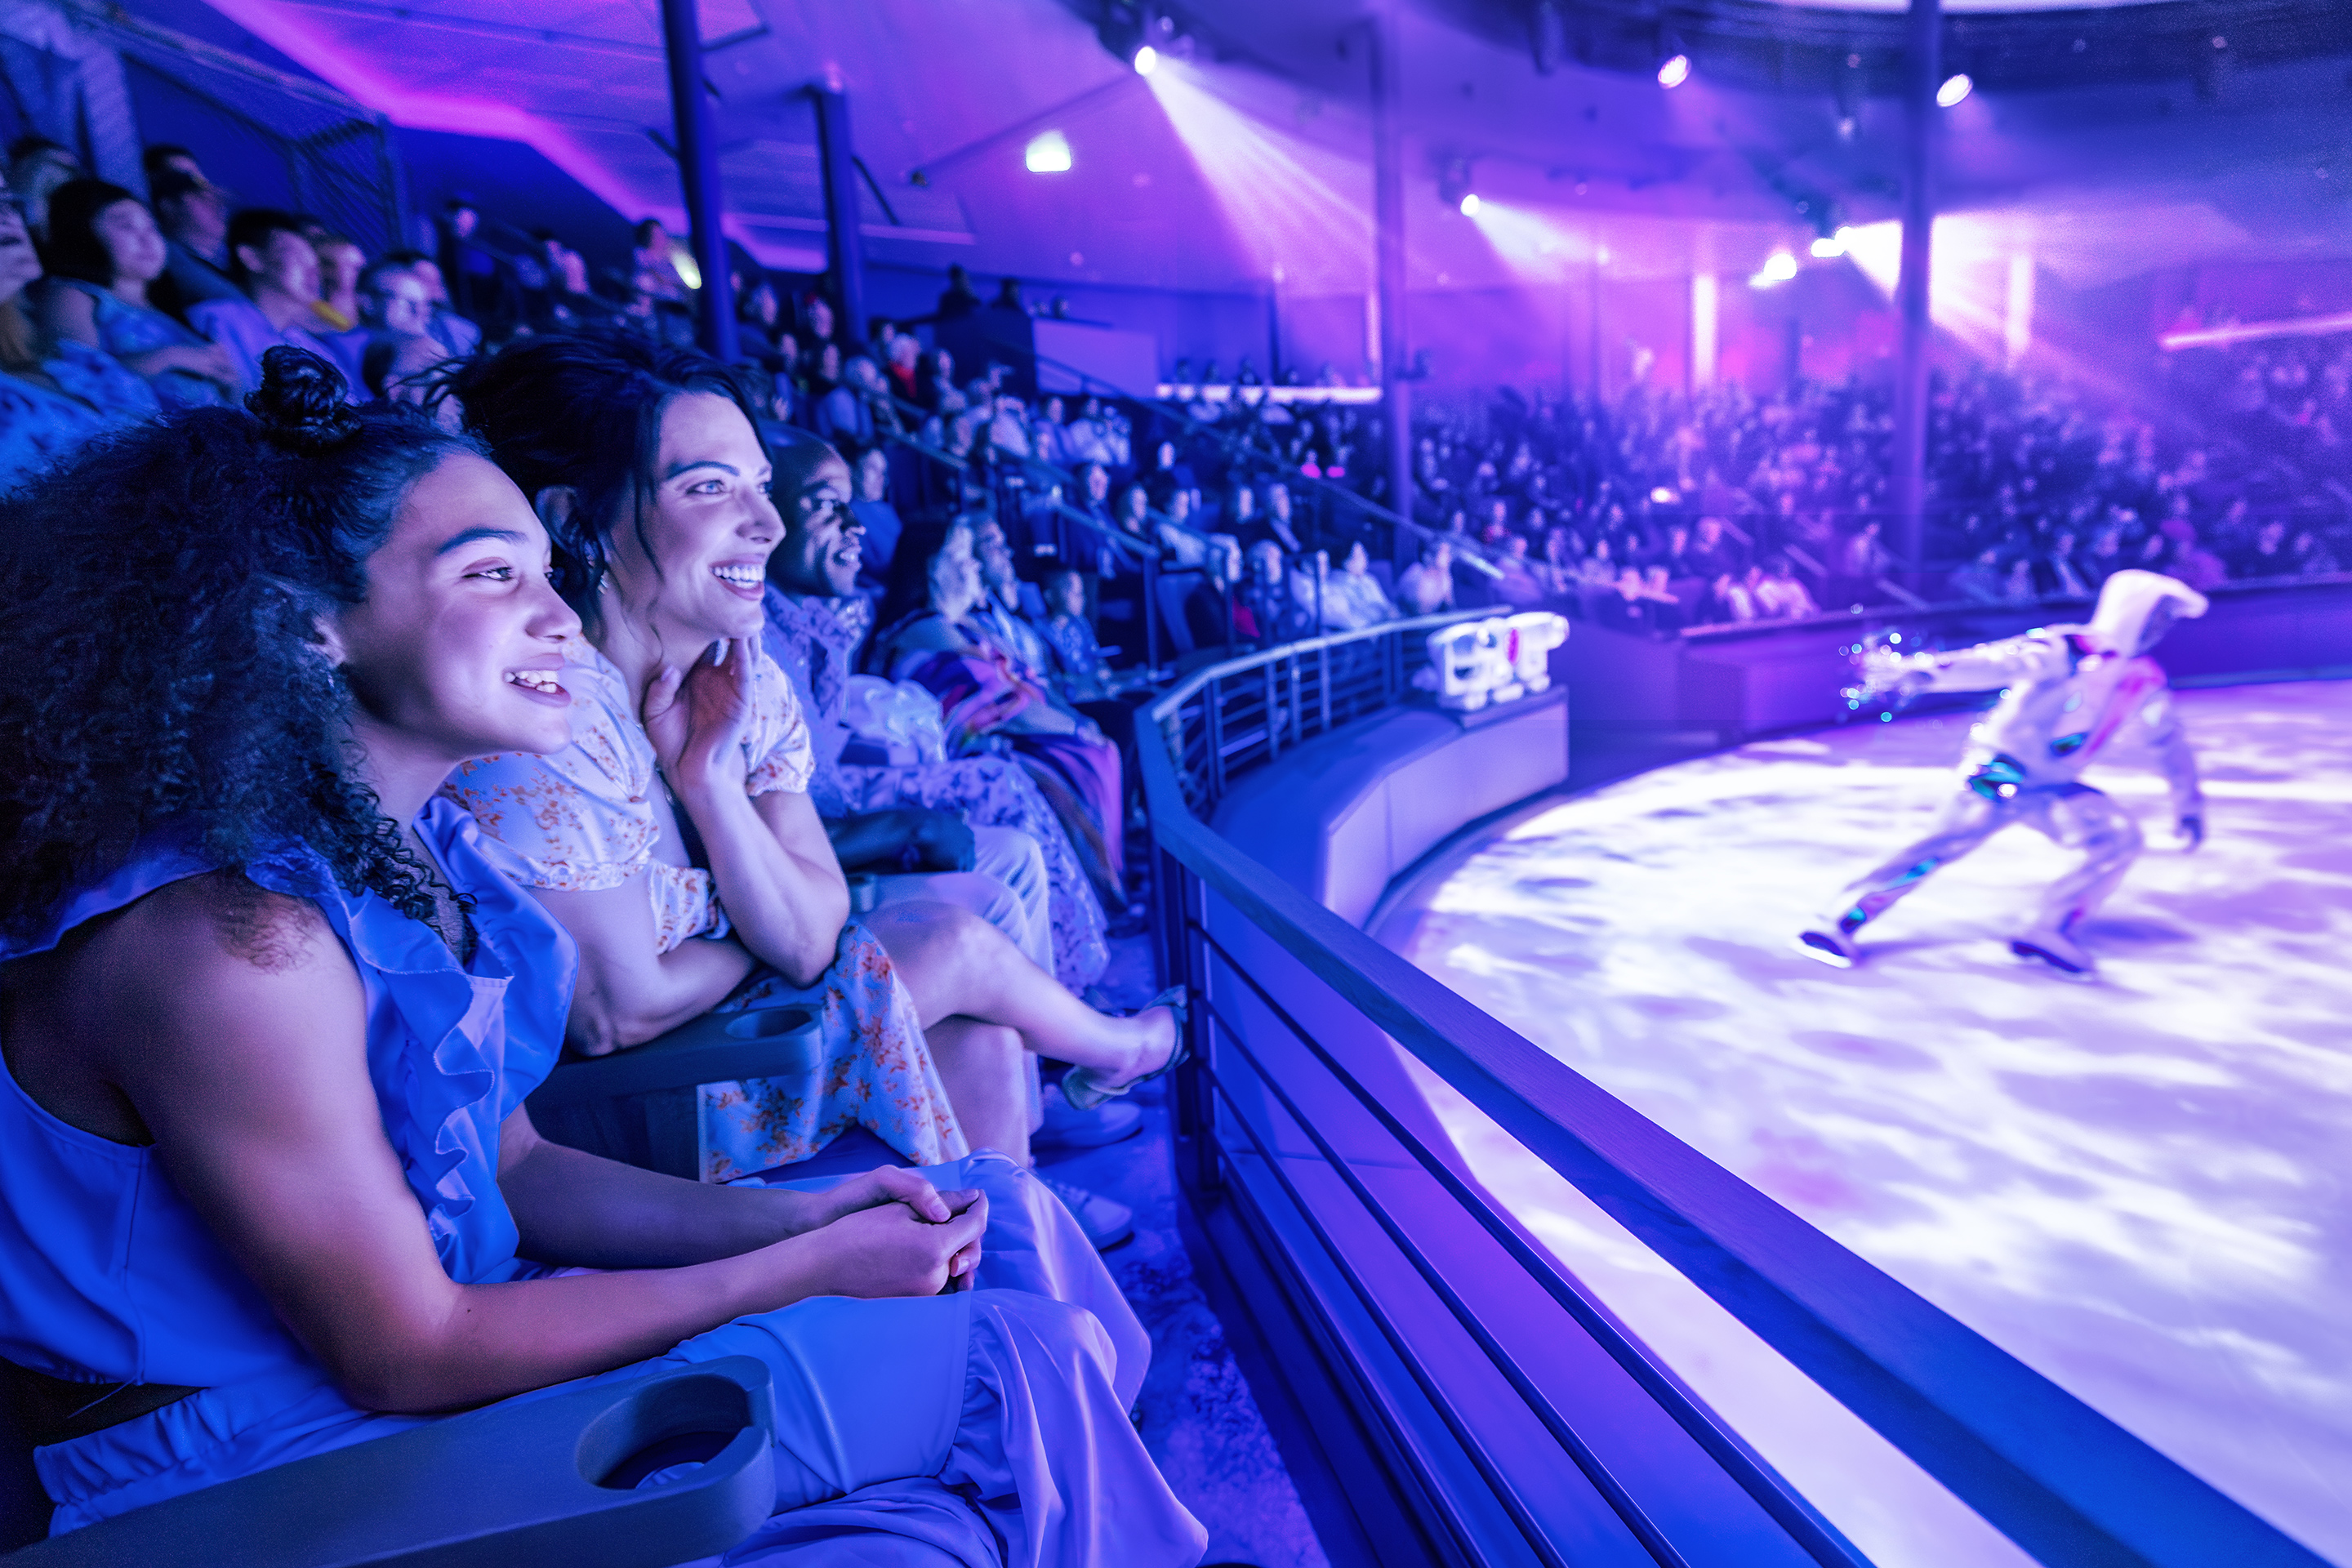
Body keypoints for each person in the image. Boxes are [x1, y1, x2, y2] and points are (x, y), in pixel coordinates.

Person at [0, 345, 1206, 1564]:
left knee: (1003, 1207)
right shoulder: (225, 947)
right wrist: (799, 1267)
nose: (561, 618)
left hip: (428, 1358)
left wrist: (808, 1215)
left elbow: (517, 1170)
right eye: (491, 574)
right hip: (253, 1462)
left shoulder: (414, 849)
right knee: (1013, 1359)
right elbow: (404, 1349)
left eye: (545, 569)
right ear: (308, 624)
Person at [439, 332, 1175, 1203]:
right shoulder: (547, 706)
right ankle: (1090, 1086)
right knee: (953, 944)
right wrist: (753, 935)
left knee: (979, 1033)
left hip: (718, 1038)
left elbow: (810, 935)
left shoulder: (742, 674)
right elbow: (617, 1015)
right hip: (624, 1113)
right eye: (709, 487)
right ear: (573, 519)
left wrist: (711, 785)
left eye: (760, 485)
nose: (769, 523)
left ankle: (1007, 1258)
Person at [764, 443, 1114, 997]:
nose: (857, 526)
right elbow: (987, 710)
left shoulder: (813, 629)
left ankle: (1064, 996)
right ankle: (1067, 995)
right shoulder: (756, 639)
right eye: (828, 504)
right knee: (1012, 784)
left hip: (835, 815)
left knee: (1025, 836)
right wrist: (907, 824)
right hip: (816, 852)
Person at [1799, 571, 2209, 978]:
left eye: (2167, 620)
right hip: (2001, 768)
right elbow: (1999, 661)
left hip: (2053, 786)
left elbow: (2167, 741)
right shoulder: (2070, 647)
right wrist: (1930, 672)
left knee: (2116, 837)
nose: (2161, 628)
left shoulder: (2145, 679)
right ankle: (1839, 920)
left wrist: (2188, 805)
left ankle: (2049, 929)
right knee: (1941, 843)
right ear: (2133, 610)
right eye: (2159, 615)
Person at [871, 521, 1131, 907]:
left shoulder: (967, 625)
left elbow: (1023, 690)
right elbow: (996, 709)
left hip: (1003, 738)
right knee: (1086, 758)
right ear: (932, 568)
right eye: (964, 555)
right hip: (973, 750)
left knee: (1100, 746)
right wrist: (1075, 729)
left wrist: (1075, 725)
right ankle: (1100, 894)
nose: (976, 564)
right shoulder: (924, 630)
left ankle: (1104, 889)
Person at [0, 180, 158, 491]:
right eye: (126, 226)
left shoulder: (71, 358)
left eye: (5, 200)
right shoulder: (74, 298)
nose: (5, 216)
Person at [38, 178, 238, 410]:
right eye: (127, 226)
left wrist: (230, 382)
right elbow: (78, 377)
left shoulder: (172, 312)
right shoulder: (73, 294)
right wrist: (172, 357)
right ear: (83, 233)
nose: (147, 239)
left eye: (152, 227)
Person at [186, 209, 346, 398]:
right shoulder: (216, 320)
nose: (311, 270)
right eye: (295, 256)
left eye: (312, 261)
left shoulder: (311, 346)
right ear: (251, 258)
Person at [146, 167, 240, 318]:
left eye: (219, 199)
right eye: (203, 199)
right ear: (168, 206)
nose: (218, 206)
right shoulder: (164, 259)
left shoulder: (233, 261)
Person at [1398, 536, 1456, 615]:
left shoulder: (1445, 576)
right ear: (1430, 555)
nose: (1450, 557)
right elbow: (1419, 613)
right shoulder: (1416, 574)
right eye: (1446, 553)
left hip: (1430, 620)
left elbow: (1450, 609)